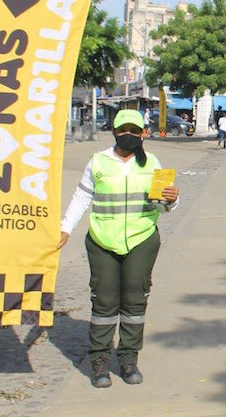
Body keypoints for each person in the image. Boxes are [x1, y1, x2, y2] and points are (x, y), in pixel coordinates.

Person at [58, 109, 180, 388]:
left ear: (143, 134)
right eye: (123, 130)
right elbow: (81, 197)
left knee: (135, 301)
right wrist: (66, 228)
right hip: (103, 241)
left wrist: (173, 199)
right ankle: (99, 360)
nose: (129, 135)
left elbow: (164, 206)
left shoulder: (152, 163)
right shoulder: (98, 161)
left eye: (134, 131)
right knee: (104, 301)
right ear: (114, 131)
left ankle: (128, 359)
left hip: (141, 239)